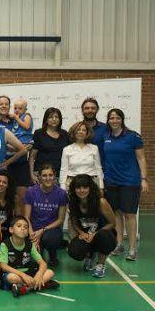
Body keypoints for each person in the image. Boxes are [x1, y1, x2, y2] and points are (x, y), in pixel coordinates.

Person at [103, 109, 148, 261]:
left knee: (129, 214)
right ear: (108, 120)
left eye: (117, 118)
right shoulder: (105, 136)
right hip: (111, 181)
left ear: (122, 120)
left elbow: (141, 158)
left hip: (130, 181)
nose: (114, 120)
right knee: (116, 213)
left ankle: (133, 249)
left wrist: (144, 179)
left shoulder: (133, 136)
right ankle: (119, 244)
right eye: (111, 118)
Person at [67, 174, 117, 278]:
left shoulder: (101, 202)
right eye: (78, 187)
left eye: (85, 187)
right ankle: (90, 255)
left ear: (90, 188)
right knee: (73, 251)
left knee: (104, 237)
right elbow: (74, 222)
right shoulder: (73, 203)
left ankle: (100, 264)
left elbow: (112, 223)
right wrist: (81, 233)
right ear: (74, 189)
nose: (82, 190)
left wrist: (95, 234)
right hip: (86, 236)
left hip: (102, 234)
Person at [0, 216, 59, 297]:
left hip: (29, 273)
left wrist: (39, 275)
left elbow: (43, 263)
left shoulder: (30, 244)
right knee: (12, 278)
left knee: (50, 272)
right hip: (15, 273)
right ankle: (41, 285)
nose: (23, 228)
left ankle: (24, 288)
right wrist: (23, 275)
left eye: (26, 227)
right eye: (19, 226)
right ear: (11, 230)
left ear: (27, 232)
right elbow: (4, 266)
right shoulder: (5, 244)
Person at [24, 164, 67, 267]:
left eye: (50, 175)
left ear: (54, 176)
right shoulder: (31, 191)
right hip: (33, 230)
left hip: (50, 230)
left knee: (50, 239)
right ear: (39, 177)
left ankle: (52, 255)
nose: (48, 178)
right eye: (44, 175)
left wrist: (42, 230)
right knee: (34, 262)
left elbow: (60, 220)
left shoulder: (62, 194)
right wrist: (32, 236)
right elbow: (26, 217)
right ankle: (39, 250)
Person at [59, 121, 104, 190]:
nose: (81, 132)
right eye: (78, 130)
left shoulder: (94, 148)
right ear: (74, 132)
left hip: (91, 183)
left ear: (87, 133)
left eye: (84, 130)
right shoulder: (67, 149)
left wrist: (101, 187)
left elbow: (98, 168)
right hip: (72, 183)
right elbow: (63, 170)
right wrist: (62, 188)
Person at [30, 108, 69, 185]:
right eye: (50, 117)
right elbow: (32, 156)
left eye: (56, 117)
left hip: (59, 175)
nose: (54, 119)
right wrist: (31, 174)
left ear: (60, 119)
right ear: (46, 120)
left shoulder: (65, 134)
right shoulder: (39, 133)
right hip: (41, 175)